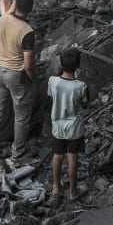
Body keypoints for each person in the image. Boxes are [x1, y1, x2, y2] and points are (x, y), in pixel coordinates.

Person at [0, 0, 37, 160]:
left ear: (14, 4)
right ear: (30, 9)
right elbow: (29, 63)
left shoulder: (1, 20)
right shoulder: (27, 31)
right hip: (16, 75)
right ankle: (18, 151)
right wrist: (33, 79)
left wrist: (0, 61)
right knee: (21, 116)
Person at [48, 46, 88, 204]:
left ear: (60, 62)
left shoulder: (53, 81)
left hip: (57, 126)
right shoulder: (81, 86)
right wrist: (77, 79)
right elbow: (84, 104)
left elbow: (52, 96)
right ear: (77, 66)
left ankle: (57, 188)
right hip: (74, 129)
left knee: (57, 156)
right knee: (72, 157)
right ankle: (73, 191)